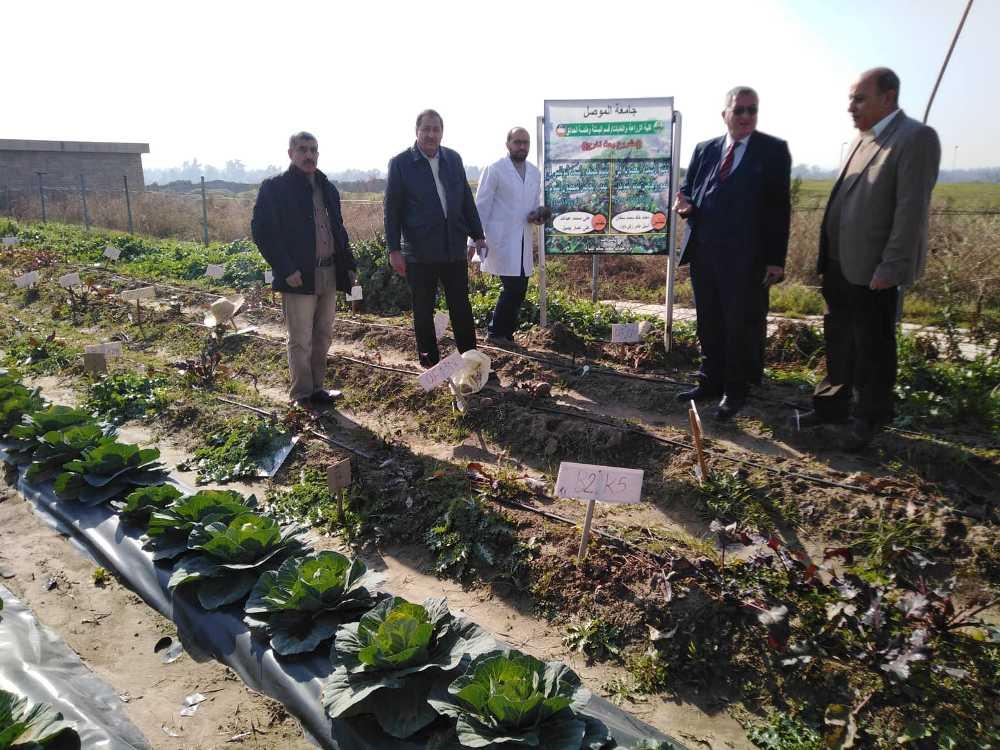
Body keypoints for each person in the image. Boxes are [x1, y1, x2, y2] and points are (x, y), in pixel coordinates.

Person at [806, 68, 940, 450]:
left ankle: (869, 417)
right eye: (851, 98)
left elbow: (911, 210)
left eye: (859, 98)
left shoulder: (915, 138)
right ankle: (832, 406)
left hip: (873, 268)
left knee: (872, 346)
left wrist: (892, 266)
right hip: (840, 263)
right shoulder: (862, 139)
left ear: (888, 97)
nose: (851, 106)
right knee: (839, 339)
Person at [672, 87, 792, 419]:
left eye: (752, 110)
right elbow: (687, 190)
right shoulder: (705, 149)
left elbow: (779, 208)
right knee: (709, 320)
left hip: (746, 257)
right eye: (739, 110)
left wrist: (775, 259)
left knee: (740, 323)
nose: (746, 116)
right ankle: (710, 380)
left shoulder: (773, 151)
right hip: (704, 252)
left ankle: (735, 389)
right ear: (724, 113)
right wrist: (684, 205)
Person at [251, 131, 357, 407]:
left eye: (313, 150)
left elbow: (339, 230)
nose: (309, 155)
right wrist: (286, 269)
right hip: (298, 276)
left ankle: (318, 389)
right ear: (291, 153)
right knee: (300, 339)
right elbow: (263, 232)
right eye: (302, 149)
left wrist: (349, 265)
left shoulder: (327, 188)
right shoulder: (275, 188)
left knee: (323, 335)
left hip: (329, 272)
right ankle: (301, 394)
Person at [384, 109, 487, 367]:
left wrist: (478, 235)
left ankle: (470, 360)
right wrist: (394, 249)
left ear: (442, 132)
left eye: (436, 129)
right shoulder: (401, 163)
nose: (431, 134)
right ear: (417, 131)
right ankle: (430, 361)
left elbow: (466, 199)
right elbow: (392, 210)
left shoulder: (453, 159)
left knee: (461, 306)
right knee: (423, 308)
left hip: (453, 246)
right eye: (426, 129)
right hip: (419, 251)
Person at [470, 127, 547, 345]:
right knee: (513, 287)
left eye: (525, 142)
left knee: (520, 288)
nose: (522, 146)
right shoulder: (495, 169)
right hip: (500, 239)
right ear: (508, 144)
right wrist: (474, 239)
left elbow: (535, 205)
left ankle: (505, 333)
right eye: (517, 142)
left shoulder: (534, 172)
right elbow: (481, 207)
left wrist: (537, 215)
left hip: (523, 238)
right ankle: (496, 333)